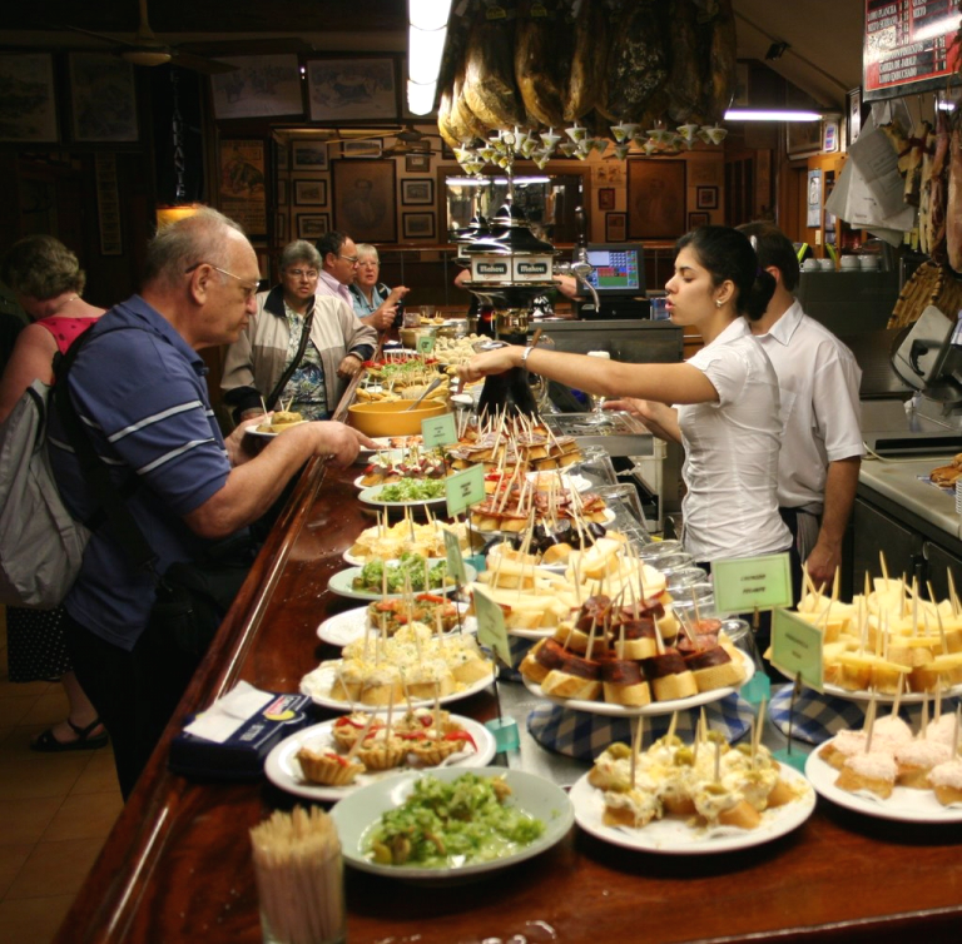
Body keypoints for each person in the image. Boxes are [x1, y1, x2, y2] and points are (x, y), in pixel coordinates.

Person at [45, 210, 375, 798]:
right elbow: (214, 510)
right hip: (139, 614)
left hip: (154, 598)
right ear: (201, 282)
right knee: (169, 791)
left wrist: (236, 448)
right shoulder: (136, 358)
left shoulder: (147, 342)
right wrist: (308, 436)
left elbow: (168, 472)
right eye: (247, 291)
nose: (253, 307)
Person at [459, 225, 792, 568]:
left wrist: (518, 355)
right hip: (715, 544)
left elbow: (614, 377)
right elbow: (718, 440)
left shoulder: (733, 358)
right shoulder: (721, 353)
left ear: (723, 290)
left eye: (687, 276)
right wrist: (650, 410)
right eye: (674, 273)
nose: (670, 285)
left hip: (746, 555)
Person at [0, 235, 108, 753]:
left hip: (63, 494)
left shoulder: (40, 338)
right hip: (119, 490)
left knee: (62, 592)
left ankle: (86, 713)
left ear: (24, 288)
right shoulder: (117, 322)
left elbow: (12, 427)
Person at [737, 221, 864, 598]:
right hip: (739, 523)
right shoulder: (737, 342)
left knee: (787, 647)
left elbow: (845, 454)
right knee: (741, 643)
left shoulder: (822, 352)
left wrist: (829, 545)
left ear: (769, 277)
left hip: (789, 524)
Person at [221, 239, 377, 423]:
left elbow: (366, 335)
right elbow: (237, 370)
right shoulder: (255, 309)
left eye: (311, 274)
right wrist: (251, 407)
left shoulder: (334, 308)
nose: (305, 280)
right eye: (297, 272)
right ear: (281, 275)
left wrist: (356, 356)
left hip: (329, 419)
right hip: (275, 421)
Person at [350, 243, 410, 332]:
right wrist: (391, 299)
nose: (370, 268)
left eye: (373, 263)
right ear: (354, 268)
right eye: (363, 264)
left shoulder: (382, 289)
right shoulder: (349, 294)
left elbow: (400, 316)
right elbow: (360, 326)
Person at [315, 231, 359, 309]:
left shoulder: (342, 286)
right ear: (331, 260)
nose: (357, 266)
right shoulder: (319, 292)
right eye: (352, 260)